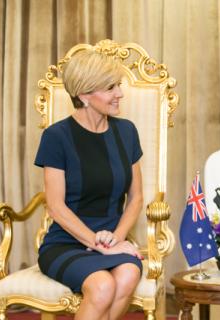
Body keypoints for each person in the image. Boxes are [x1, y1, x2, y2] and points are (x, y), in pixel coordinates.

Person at [34, 49, 144, 320]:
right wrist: (98, 243)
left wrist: (116, 239)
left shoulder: (126, 132)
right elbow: (56, 206)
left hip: (112, 238)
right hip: (65, 242)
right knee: (102, 286)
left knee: (129, 273)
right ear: (83, 95)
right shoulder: (56, 136)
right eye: (110, 87)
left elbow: (136, 198)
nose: (119, 93)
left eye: (118, 85)